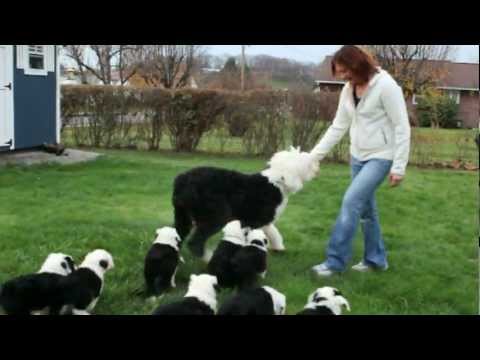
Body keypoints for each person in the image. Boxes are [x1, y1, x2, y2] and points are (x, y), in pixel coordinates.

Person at [310, 45, 411, 277]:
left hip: (381, 156)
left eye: (346, 71)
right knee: (366, 211)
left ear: (359, 65)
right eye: (340, 72)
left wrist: (398, 166)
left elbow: (401, 127)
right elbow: (338, 126)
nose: (344, 76)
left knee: (351, 202)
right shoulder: (349, 89)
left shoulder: (386, 86)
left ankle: (334, 262)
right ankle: (376, 260)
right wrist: (313, 157)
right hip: (357, 155)